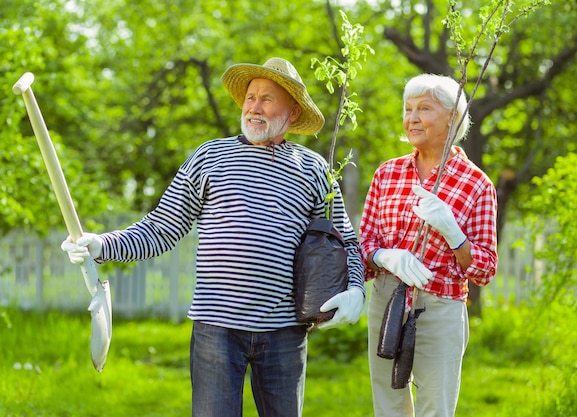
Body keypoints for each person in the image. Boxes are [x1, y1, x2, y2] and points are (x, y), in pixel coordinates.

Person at [61, 57, 365, 417]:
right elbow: (161, 227)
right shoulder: (210, 156)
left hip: (285, 330)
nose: (254, 106)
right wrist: (103, 245)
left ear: (293, 112)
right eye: (251, 97)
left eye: (267, 98)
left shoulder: (313, 168)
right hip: (217, 328)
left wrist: (356, 289)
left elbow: (344, 239)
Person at [359, 73, 498, 417]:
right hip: (386, 300)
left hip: (439, 305)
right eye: (407, 109)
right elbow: (362, 244)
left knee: (434, 407)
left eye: (424, 108)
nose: (412, 118)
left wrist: (455, 235)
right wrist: (383, 256)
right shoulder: (386, 174)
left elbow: (485, 268)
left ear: (453, 118)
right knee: (388, 406)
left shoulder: (476, 184)